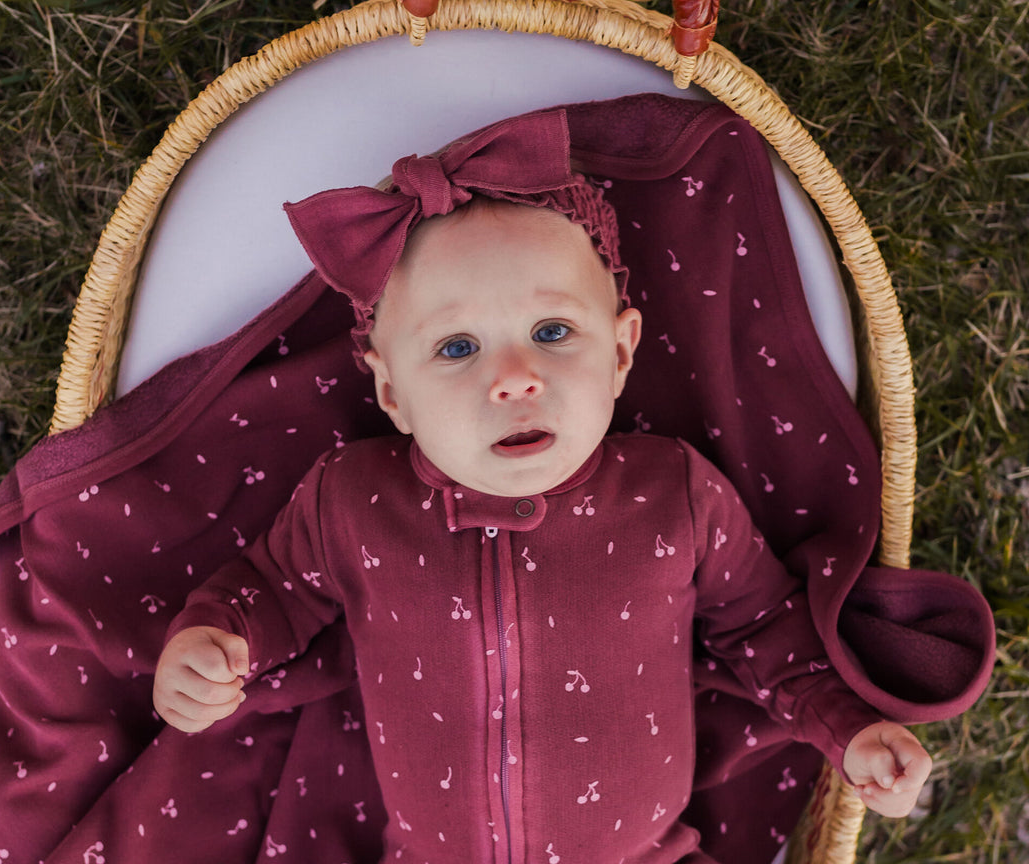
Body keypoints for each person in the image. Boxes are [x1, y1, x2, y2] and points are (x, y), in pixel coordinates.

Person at [153, 110, 930, 863]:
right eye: (457, 348)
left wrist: (849, 732)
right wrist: (215, 638)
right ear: (391, 393)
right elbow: (270, 585)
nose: (515, 380)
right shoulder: (352, 500)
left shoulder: (675, 494)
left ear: (622, 352)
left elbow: (766, 630)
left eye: (553, 333)